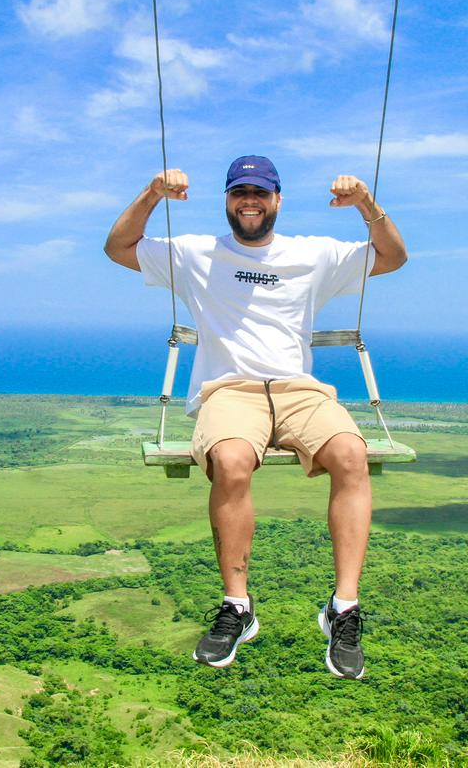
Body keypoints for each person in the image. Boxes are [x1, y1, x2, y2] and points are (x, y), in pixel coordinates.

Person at [103, 155, 407, 679]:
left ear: (277, 200)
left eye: (260, 193)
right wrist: (153, 193)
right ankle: (237, 606)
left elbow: (393, 256)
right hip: (230, 389)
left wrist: (364, 202)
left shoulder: (313, 254)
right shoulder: (196, 253)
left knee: (351, 453)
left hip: (299, 389)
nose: (250, 201)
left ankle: (344, 608)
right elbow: (118, 248)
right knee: (231, 460)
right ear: (226, 200)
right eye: (240, 192)